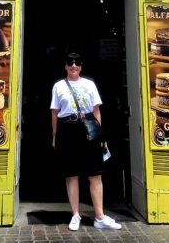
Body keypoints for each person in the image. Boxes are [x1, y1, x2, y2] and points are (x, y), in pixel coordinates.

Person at [50, 52, 121, 231]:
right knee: (71, 174)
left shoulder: (89, 84)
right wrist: (55, 135)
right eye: (70, 62)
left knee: (95, 174)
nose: (74, 65)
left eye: (77, 62)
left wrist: (101, 135)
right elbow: (55, 112)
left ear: (81, 66)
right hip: (67, 129)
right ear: (65, 66)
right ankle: (75, 215)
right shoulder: (58, 86)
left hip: (89, 128)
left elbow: (96, 111)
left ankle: (99, 216)